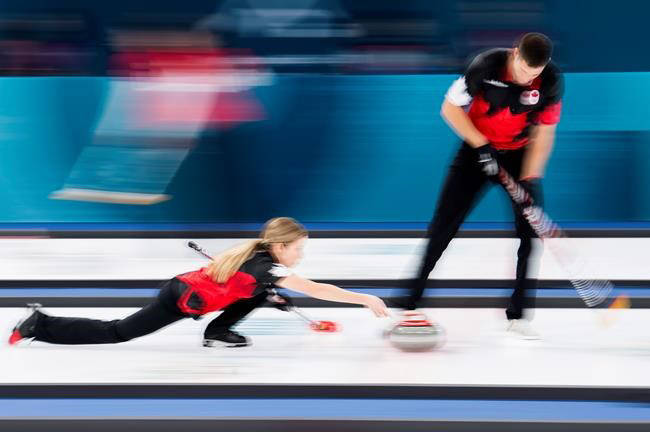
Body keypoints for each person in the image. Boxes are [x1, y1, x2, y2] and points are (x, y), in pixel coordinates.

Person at [9, 217, 389, 348]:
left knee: (260, 294)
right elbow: (318, 289)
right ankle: (39, 324)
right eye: (298, 249)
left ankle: (217, 332)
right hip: (179, 299)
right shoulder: (267, 268)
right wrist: (364, 298)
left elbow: (255, 286)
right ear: (279, 246)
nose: (301, 256)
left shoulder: (261, 262)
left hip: (188, 289)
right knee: (119, 332)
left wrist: (268, 293)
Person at [404, 33, 563, 339]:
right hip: (476, 151)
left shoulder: (552, 81)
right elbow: (449, 109)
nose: (527, 79)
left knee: (529, 237)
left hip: (519, 156)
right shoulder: (484, 66)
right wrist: (481, 146)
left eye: (534, 74)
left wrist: (530, 178)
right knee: (442, 227)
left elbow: (545, 133)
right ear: (514, 53)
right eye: (523, 71)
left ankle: (518, 316)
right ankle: (409, 302)